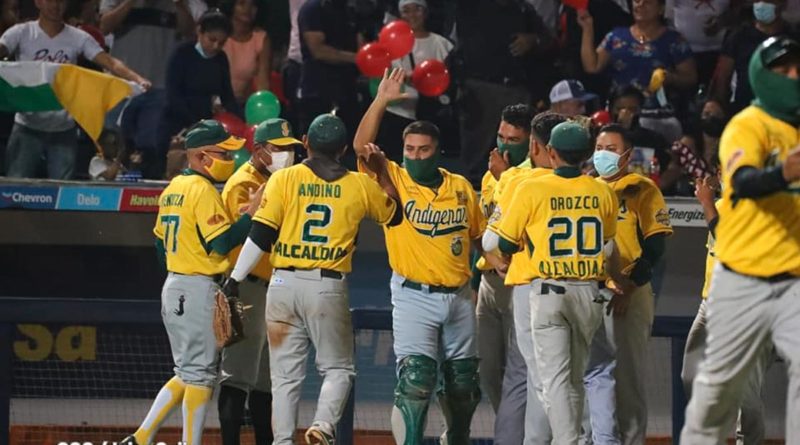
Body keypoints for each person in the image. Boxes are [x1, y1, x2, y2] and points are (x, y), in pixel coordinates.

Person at [221, 113, 402, 445]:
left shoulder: (283, 179)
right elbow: (395, 213)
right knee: (338, 370)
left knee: (284, 379)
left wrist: (235, 277)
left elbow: (260, 234)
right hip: (326, 285)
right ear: (344, 148)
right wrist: (381, 170)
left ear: (306, 143)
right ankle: (322, 425)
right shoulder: (359, 185)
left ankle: (283, 441)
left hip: (281, 285)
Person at [354, 68, 487, 445]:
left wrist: (480, 282)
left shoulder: (460, 186)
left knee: (464, 385)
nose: (415, 156)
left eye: (423, 150)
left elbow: (478, 238)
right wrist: (382, 99)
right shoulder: (392, 176)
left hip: (460, 295)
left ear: (437, 151)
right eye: (410, 150)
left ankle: (455, 439)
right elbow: (361, 145)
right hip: (413, 294)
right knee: (415, 381)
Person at [681, 36, 800, 445]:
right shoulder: (749, 127)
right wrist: (781, 173)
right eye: (782, 69)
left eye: (795, 68)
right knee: (703, 385)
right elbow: (746, 183)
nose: (792, 76)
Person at [121, 119, 262, 445]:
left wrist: (182, 271)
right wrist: (251, 215)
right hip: (197, 287)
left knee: (187, 372)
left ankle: (142, 437)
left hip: (176, 285)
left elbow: (159, 244)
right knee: (200, 375)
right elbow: (222, 244)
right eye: (222, 153)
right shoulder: (201, 190)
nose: (229, 159)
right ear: (200, 156)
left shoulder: (173, 189)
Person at [489, 121, 623, 445]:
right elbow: (606, 243)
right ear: (587, 154)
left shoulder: (531, 188)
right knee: (575, 380)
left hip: (549, 290)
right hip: (589, 293)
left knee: (554, 382)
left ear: (550, 152)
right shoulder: (602, 190)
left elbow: (502, 245)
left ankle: (568, 442)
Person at [217, 118, 301, 445]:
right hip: (245, 285)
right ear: (259, 150)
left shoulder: (282, 181)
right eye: (278, 149)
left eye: (289, 149)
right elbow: (247, 235)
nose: (285, 155)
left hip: (275, 287)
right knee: (237, 374)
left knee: (267, 379)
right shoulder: (244, 182)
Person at [588, 124, 673, 445]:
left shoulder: (640, 187)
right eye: (599, 147)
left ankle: (632, 440)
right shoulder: (586, 188)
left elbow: (655, 247)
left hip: (628, 292)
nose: (603, 154)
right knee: (592, 377)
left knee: (627, 378)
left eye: (611, 148)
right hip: (590, 290)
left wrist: (630, 285)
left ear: (626, 155)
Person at [0, 0, 149, 180]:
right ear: (38, 2)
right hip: (27, 125)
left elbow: (110, 62)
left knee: (63, 191)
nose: (56, 6)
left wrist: (137, 79)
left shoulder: (79, 37)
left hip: (64, 129)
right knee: (15, 186)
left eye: (61, 1)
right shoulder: (21, 33)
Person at [488, 111, 568, 445]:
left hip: (532, 287)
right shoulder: (593, 185)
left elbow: (493, 242)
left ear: (537, 145)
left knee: (538, 378)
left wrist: (503, 253)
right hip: (583, 290)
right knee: (577, 378)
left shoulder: (518, 181)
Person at [681, 173, 772, 445]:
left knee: (747, 395)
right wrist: (711, 204)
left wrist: (707, 204)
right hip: (710, 306)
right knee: (691, 376)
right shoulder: (720, 206)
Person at [473, 103, 535, 413]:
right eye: (500, 136)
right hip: (489, 282)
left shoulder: (534, 174)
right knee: (487, 371)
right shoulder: (490, 174)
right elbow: (484, 229)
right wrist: (485, 266)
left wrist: (505, 175)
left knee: (520, 372)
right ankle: (507, 429)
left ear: (529, 141)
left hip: (519, 284)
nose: (502, 144)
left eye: (512, 139)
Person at [453, 0, 555, 186]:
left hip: (518, 89)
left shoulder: (523, 8)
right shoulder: (469, 5)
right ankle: (474, 195)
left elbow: (548, 39)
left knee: (518, 145)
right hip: (481, 88)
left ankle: (519, 186)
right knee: (476, 151)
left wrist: (532, 39)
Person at [578, 0, 697, 144]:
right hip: (620, 115)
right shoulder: (616, 36)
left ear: (661, 9)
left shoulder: (674, 40)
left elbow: (690, 77)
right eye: (637, 1)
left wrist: (669, 77)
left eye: (648, 2)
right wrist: (587, 28)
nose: (640, 5)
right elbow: (592, 66)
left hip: (659, 117)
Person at [157, 9, 240, 179]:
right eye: (212, 40)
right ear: (199, 32)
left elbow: (227, 96)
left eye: (221, 42)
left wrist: (238, 121)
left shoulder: (221, 59)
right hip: (177, 122)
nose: (216, 46)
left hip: (204, 122)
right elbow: (173, 94)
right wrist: (194, 124)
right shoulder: (182, 54)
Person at [374, 0, 455, 163]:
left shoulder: (441, 43)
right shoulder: (390, 43)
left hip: (429, 112)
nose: (412, 15)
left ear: (425, 12)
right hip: (398, 111)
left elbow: (448, 77)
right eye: (406, 10)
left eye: (417, 9)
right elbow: (379, 72)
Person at [711, 0, 800, 114]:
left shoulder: (794, 38)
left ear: (782, 4)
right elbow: (723, 76)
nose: (762, 4)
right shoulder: (738, 36)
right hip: (744, 109)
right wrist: (718, 103)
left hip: (785, 111)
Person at [296, 0, 359, 137]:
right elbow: (318, 51)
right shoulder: (312, 9)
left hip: (347, 90)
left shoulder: (349, 10)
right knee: (314, 145)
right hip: (316, 91)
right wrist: (357, 58)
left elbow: (359, 43)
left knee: (347, 147)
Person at [220, 0, 272, 105]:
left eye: (253, 5)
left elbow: (263, 83)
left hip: (242, 104)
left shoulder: (260, 39)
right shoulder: (218, 34)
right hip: (212, 102)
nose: (247, 9)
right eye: (242, 3)